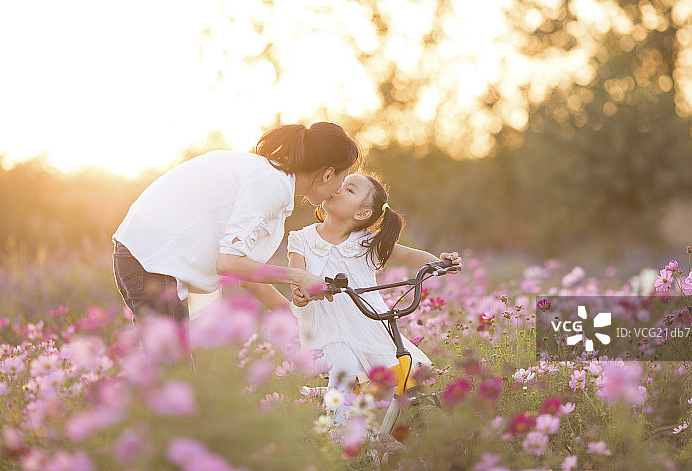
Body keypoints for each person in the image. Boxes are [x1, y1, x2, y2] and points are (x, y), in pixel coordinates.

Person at [112, 122, 361, 324]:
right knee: (173, 375)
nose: (338, 189)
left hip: (147, 257)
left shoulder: (272, 179)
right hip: (152, 260)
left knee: (172, 376)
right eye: (343, 179)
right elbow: (228, 263)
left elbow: (247, 277)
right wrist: (298, 276)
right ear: (328, 174)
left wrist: (299, 324)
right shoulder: (271, 184)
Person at [287, 173, 461, 424]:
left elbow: (411, 256)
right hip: (326, 329)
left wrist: (440, 262)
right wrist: (302, 295)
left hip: (367, 325)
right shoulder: (301, 239)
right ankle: (338, 437)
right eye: (340, 183)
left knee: (392, 378)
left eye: (349, 190)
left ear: (362, 214)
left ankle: (390, 434)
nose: (338, 188)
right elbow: (297, 281)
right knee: (343, 368)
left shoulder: (368, 242)